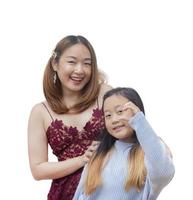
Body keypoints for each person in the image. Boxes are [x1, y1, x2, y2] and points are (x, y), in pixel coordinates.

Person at [28, 35, 112, 200]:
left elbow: (130, 127)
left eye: (87, 64)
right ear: (55, 64)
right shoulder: (40, 112)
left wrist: (155, 144)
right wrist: (82, 159)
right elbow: (38, 170)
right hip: (65, 194)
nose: (80, 70)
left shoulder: (105, 93)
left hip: (108, 188)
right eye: (72, 62)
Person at [73, 87, 175, 200]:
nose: (114, 120)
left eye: (120, 111)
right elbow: (80, 193)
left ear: (137, 112)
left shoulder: (150, 153)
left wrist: (139, 121)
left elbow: (164, 173)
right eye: (108, 115)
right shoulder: (99, 152)